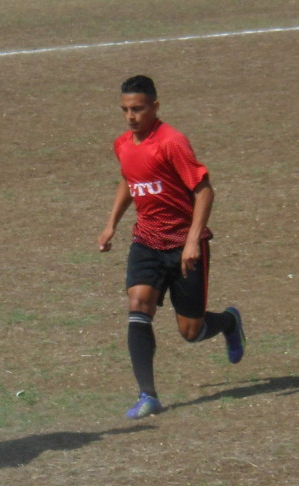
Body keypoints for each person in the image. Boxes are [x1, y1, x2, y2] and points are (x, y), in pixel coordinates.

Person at [97, 75, 246, 419]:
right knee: (138, 303)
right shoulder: (122, 144)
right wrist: (111, 224)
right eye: (125, 110)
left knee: (190, 331)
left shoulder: (172, 142)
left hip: (183, 244)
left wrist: (193, 239)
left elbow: (204, 190)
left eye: (138, 109)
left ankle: (228, 323)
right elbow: (129, 179)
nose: (130, 116)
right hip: (147, 240)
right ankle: (147, 395)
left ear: (155, 107)